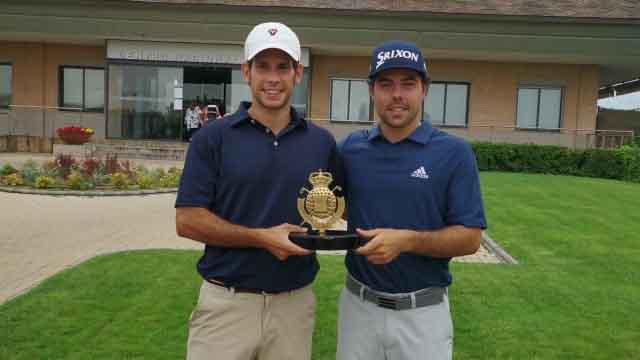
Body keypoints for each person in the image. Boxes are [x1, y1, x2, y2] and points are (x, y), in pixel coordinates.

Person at [175, 22, 341, 360]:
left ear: (298, 73)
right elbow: (188, 220)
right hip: (226, 304)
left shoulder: (321, 143)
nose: (273, 78)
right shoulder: (213, 138)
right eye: (262, 66)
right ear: (246, 72)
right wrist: (263, 237)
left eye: (283, 67)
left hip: (294, 306)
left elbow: (343, 205)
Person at [337, 41, 487, 360]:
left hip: (423, 315)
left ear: (424, 91)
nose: (397, 95)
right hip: (358, 309)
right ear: (372, 90)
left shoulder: (454, 153)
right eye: (386, 84)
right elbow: (334, 204)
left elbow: (471, 238)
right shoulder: (350, 149)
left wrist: (406, 241)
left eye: (409, 83)